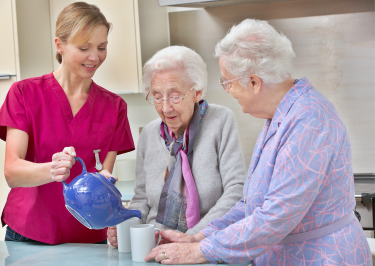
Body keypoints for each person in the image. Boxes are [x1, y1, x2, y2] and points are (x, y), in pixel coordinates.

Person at [145, 19, 372, 265]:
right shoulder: (279, 116)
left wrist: (200, 251)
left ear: (254, 82)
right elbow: (251, 204)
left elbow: (276, 215)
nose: (227, 90)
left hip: (322, 258)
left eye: (227, 82)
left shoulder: (309, 119)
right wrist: (200, 237)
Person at [0, 2, 134, 245]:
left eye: (101, 47)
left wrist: (106, 184)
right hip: (29, 233)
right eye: (83, 47)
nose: (94, 57)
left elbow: (102, 177)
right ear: (60, 45)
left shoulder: (115, 106)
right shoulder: (24, 94)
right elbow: (12, 172)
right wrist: (52, 169)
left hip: (89, 236)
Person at [107, 46, 246, 247]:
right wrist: (126, 229)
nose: (165, 107)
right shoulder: (148, 133)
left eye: (174, 96)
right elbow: (141, 200)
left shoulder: (220, 121)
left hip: (205, 243)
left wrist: (192, 238)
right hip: (156, 245)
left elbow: (236, 190)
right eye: (157, 96)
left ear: (197, 92)